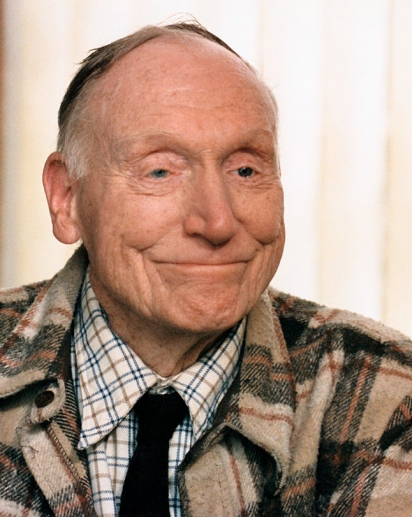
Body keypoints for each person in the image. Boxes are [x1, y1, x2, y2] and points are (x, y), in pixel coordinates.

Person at [0, 20, 411, 517]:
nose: (217, 222)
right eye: (160, 170)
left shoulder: (390, 395)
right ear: (66, 198)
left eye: (245, 169)